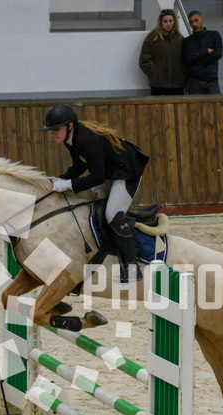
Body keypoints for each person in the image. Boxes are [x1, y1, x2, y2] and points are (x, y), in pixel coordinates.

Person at [42, 103, 149, 283]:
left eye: (56, 129)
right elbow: (79, 166)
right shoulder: (71, 139)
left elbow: (97, 177)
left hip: (127, 172)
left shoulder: (86, 139)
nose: (53, 133)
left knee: (112, 214)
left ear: (70, 126)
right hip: (109, 173)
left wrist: (68, 184)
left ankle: (132, 269)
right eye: (51, 130)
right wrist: (60, 179)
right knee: (89, 203)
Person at [138, 8, 186, 96]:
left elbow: (185, 59)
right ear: (160, 22)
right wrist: (155, 74)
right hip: (158, 86)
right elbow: (144, 61)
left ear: (174, 22)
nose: (168, 24)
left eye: (170, 21)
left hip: (177, 85)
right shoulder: (153, 38)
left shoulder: (179, 38)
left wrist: (183, 74)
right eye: (165, 21)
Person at [181, 10, 223, 94]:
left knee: (216, 102)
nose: (194, 24)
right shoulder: (187, 41)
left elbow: (218, 53)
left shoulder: (214, 35)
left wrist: (197, 60)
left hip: (211, 79)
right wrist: (205, 52)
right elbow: (188, 59)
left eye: (196, 20)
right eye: (191, 22)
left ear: (202, 20)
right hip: (194, 81)